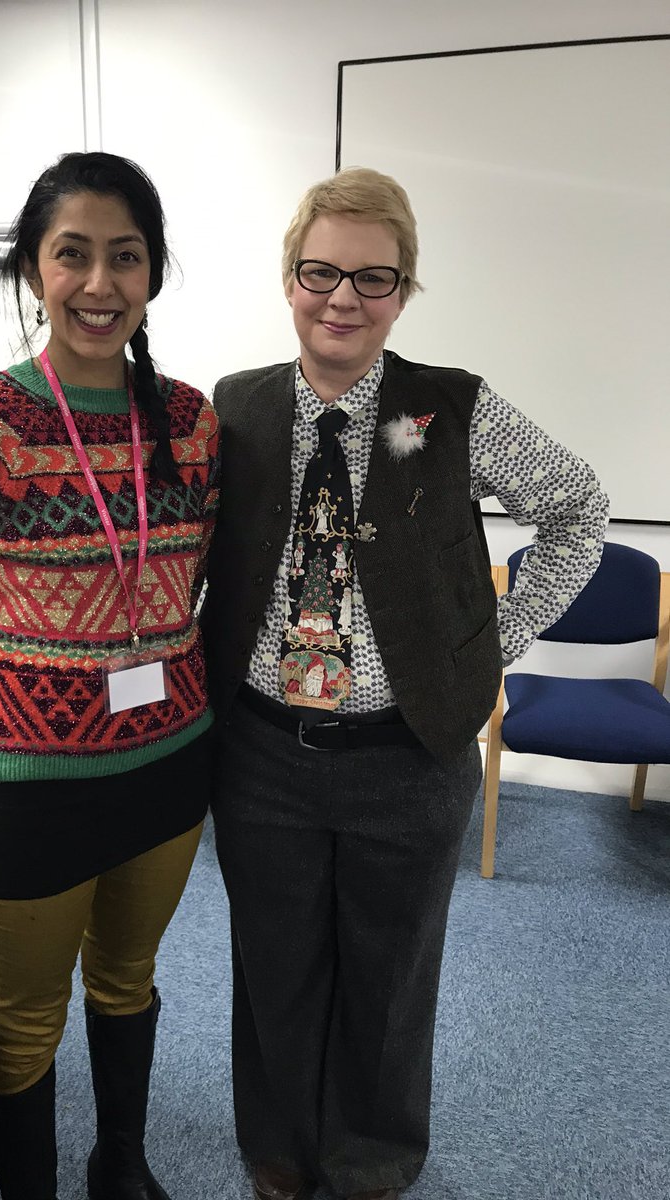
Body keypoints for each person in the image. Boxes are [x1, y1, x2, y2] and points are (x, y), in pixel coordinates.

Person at [201, 167, 609, 1200]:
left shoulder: (445, 408)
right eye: (320, 271)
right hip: (261, 751)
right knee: (276, 967)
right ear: (289, 277)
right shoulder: (237, 408)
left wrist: (498, 637)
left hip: (409, 752)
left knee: (390, 973)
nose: (342, 298)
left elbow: (577, 508)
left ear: (404, 288)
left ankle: (373, 1157)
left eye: (372, 277)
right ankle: (283, 1151)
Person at [0, 151, 220, 1200]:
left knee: (128, 983)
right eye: (72, 255)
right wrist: (11, 729)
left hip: (169, 771)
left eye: (124, 257)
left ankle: (118, 1166)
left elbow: (196, 583)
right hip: (28, 793)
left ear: (153, 273)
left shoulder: (190, 421)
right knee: (25, 1016)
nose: (99, 284)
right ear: (34, 271)